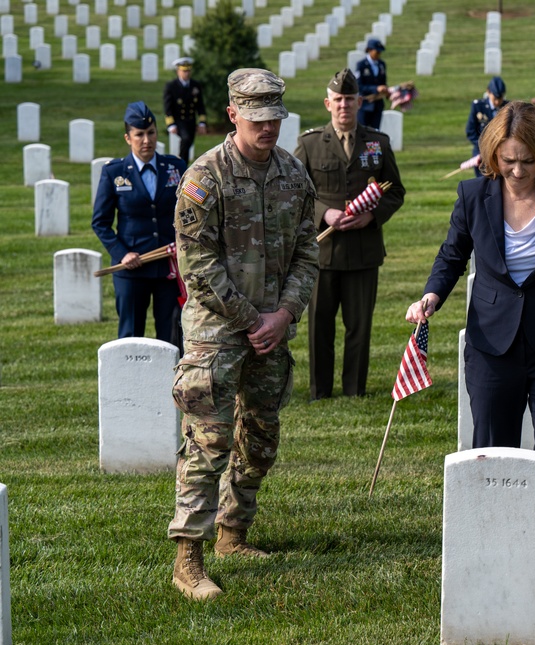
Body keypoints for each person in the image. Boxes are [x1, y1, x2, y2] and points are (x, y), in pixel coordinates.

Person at [404, 101, 535, 486]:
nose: (518, 171)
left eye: (528, 161)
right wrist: (431, 295)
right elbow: (452, 254)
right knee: (492, 459)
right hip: (492, 347)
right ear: (492, 156)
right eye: (508, 161)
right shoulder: (473, 196)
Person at [168, 68, 319, 601]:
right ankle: (188, 557)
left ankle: (234, 534)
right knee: (207, 443)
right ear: (233, 115)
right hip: (217, 331)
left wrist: (284, 314)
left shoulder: (295, 177)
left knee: (260, 438)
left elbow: (307, 251)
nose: (268, 129)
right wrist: (251, 320)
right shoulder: (204, 178)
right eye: (257, 119)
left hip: (271, 330)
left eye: (275, 118)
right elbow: (198, 264)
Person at [295, 68, 406, 399]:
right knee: (320, 326)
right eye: (338, 100)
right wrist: (324, 213)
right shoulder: (310, 144)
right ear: (328, 104)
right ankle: (320, 390)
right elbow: (298, 192)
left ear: (359, 102)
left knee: (359, 327)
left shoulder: (377, 143)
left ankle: (355, 389)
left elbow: (395, 191)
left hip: (363, 250)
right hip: (323, 253)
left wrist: (371, 216)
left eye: (350, 100)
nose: (344, 106)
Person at [91, 101, 186, 346]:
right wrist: (122, 254)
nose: (147, 140)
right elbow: (100, 222)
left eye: (151, 133)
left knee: (172, 336)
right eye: (139, 135)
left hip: (168, 266)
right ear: (128, 138)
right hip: (132, 270)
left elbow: (189, 212)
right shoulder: (114, 172)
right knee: (131, 338)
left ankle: (170, 385)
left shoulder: (175, 167)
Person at [163, 57, 208, 163]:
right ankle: (181, 165)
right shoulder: (171, 86)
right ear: (178, 71)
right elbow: (167, 107)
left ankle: (183, 165)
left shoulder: (195, 85)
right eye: (184, 71)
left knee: (188, 143)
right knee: (186, 140)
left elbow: (200, 105)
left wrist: (202, 122)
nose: (187, 73)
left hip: (191, 121)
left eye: (188, 71)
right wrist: (171, 124)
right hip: (179, 121)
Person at [465, 76, 508, 177]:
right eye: (495, 98)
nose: (497, 102)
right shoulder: (478, 106)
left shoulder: (508, 108)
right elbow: (470, 131)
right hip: (482, 153)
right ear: (488, 92)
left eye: (500, 98)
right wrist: (485, 147)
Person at [355, 38, 388, 129]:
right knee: (363, 132)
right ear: (369, 50)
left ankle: (374, 144)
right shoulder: (361, 65)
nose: (378, 54)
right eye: (377, 52)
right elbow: (359, 86)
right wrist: (376, 89)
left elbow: (383, 82)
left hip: (378, 105)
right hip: (365, 104)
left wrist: (386, 91)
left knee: (375, 133)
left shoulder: (382, 65)